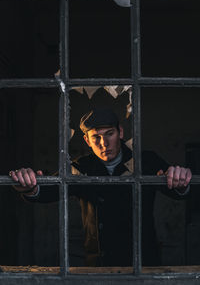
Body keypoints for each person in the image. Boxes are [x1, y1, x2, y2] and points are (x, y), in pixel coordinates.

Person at [9, 108, 192, 267]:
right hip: (100, 264)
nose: (104, 144)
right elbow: (48, 190)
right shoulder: (80, 167)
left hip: (143, 262)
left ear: (120, 132)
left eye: (109, 134)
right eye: (96, 137)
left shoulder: (147, 161)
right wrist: (29, 186)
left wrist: (180, 178)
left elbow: (177, 191)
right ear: (87, 141)